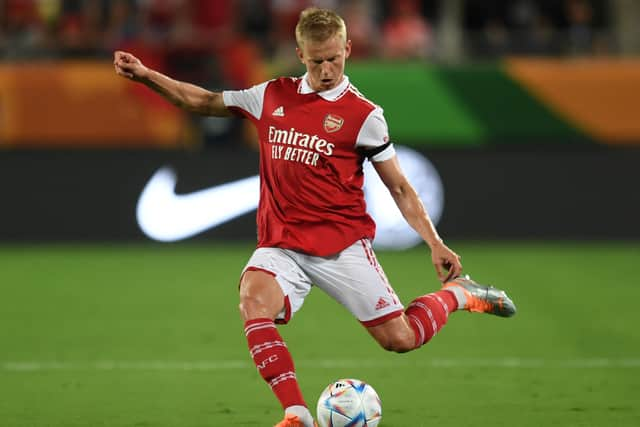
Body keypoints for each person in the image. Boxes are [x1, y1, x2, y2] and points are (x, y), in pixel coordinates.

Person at [114, 7, 516, 427]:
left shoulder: (365, 116)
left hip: (340, 246)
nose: (327, 69)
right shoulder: (270, 96)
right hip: (282, 245)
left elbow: (399, 187)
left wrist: (435, 242)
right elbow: (202, 100)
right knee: (253, 300)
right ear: (299, 53)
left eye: (334, 59)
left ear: (347, 48)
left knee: (401, 339)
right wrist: (146, 76)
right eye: (316, 60)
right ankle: (296, 412)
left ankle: (458, 295)